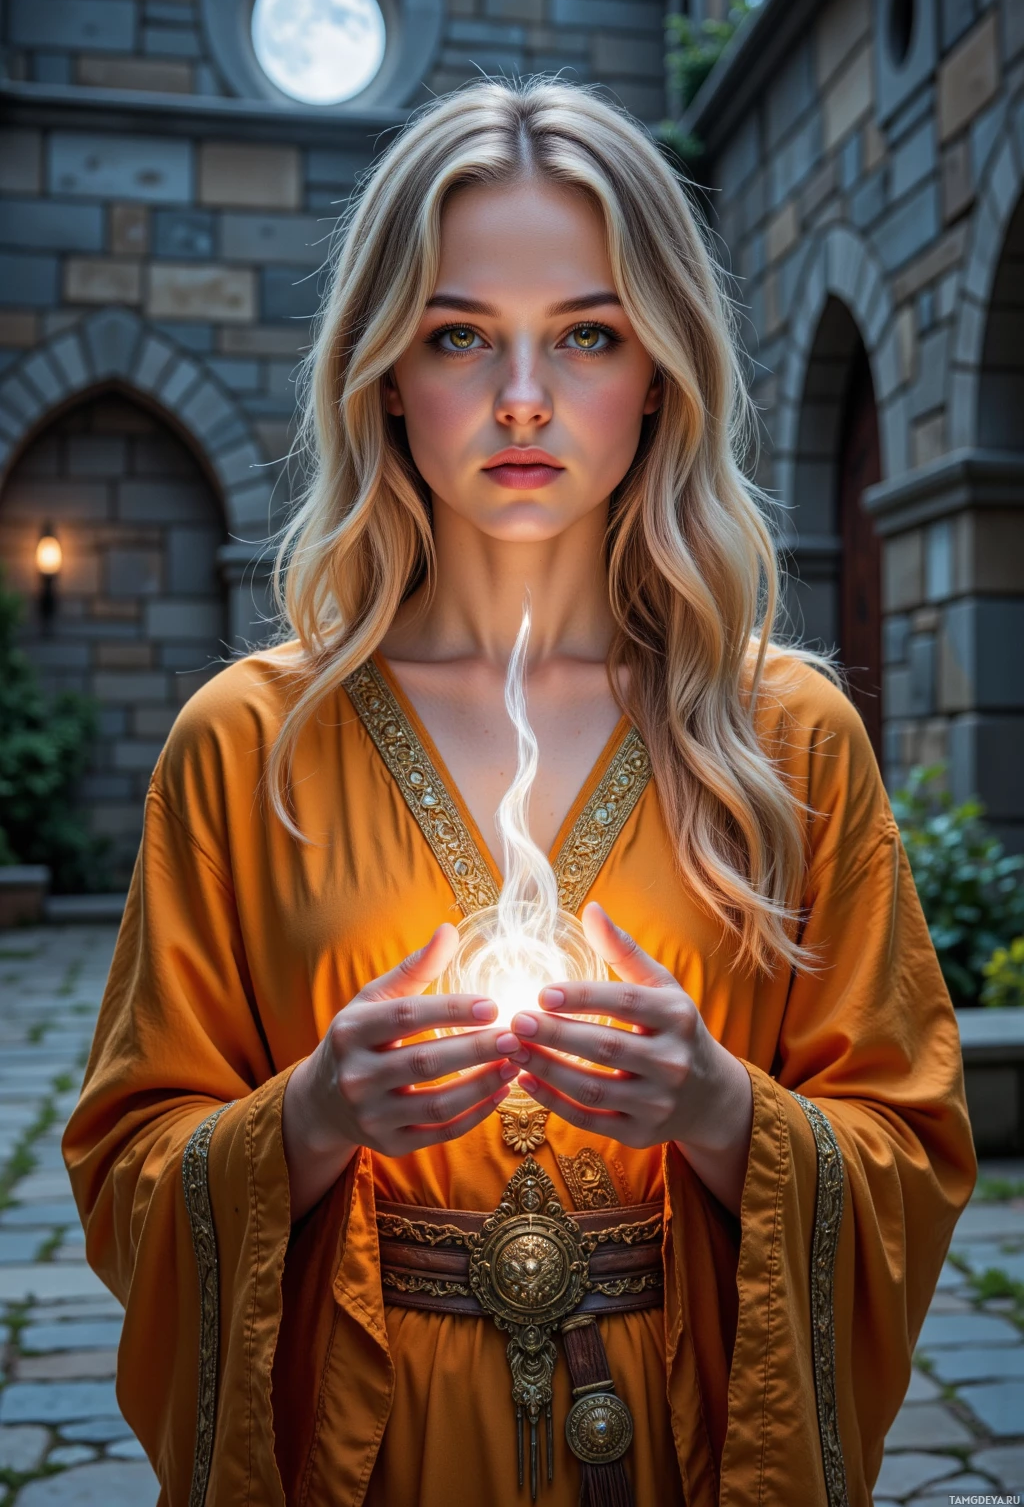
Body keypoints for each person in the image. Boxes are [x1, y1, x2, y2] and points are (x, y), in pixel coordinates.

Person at [63, 79, 976, 1507]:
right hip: (370, 1462)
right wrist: (310, 1116)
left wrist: (722, 1107)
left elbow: (912, 1155)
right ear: (382, 371)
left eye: (589, 335)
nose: (525, 400)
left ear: (664, 368)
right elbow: (128, 1174)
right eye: (460, 337)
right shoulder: (248, 745)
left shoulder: (783, 738)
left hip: (685, 1448)